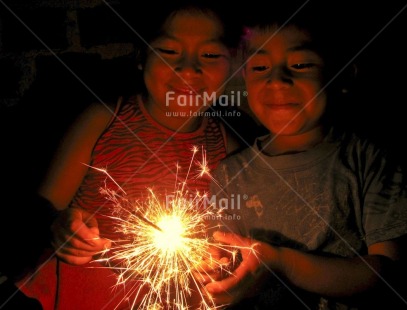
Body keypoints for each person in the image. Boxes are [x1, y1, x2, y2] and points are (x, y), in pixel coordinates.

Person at [8, 2, 252, 309]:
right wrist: (61, 227)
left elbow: (228, 238)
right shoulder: (102, 121)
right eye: (169, 51)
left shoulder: (228, 149)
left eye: (210, 55)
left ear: (231, 64)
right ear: (142, 57)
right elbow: (42, 209)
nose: (189, 68)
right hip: (78, 294)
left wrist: (215, 259)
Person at [204, 1, 407, 309]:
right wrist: (216, 268)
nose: (276, 80)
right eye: (260, 67)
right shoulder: (228, 174)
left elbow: (387, 278)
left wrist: (282, 263)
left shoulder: (369, 161)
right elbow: (225, 260)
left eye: (301, 65)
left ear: (343, 75)